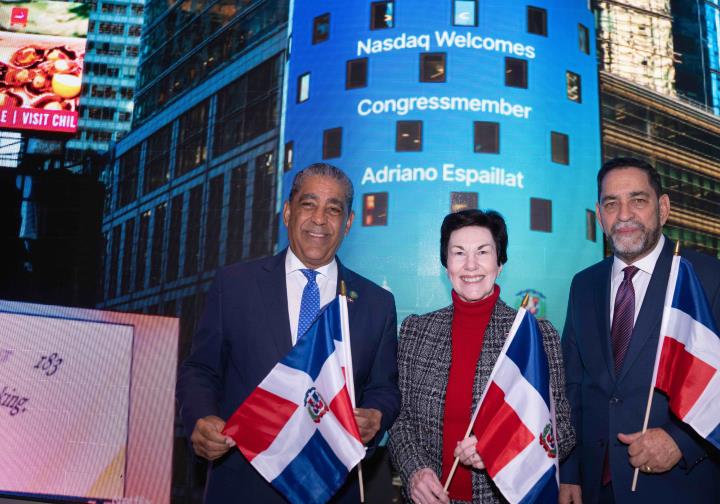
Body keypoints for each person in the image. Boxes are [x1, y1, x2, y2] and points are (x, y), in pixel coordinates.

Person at [177, 162, 400, 503]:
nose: (319, 219)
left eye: (333, 209)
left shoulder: (376, 303)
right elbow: (201, 370)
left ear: (349, 223)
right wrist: (201, 418)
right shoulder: (235, 285)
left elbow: (384, 389)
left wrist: (376, 416)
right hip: (243, 485)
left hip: (332, 487)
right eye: (309, 205)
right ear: (287, 211)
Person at [558, 157, 720, 503]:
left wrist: (681, 440)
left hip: (685, 486)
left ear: (663, 207)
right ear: (599, 216)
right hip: (598, 492)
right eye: (611, 203)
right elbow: (571, 387)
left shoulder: (710, 279)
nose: (624, 214)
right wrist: (569, 473)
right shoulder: (583, 285)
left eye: (638, 200)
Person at [388, 209, 575, 504]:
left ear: (500, 263)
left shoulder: (533, 336)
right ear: (445, 264)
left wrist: (500, 447)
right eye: (459, 252)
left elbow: (561, 430)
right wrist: (415, 472)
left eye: (483, 252)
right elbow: (401, 420)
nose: (471, 265)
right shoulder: (415, 331)